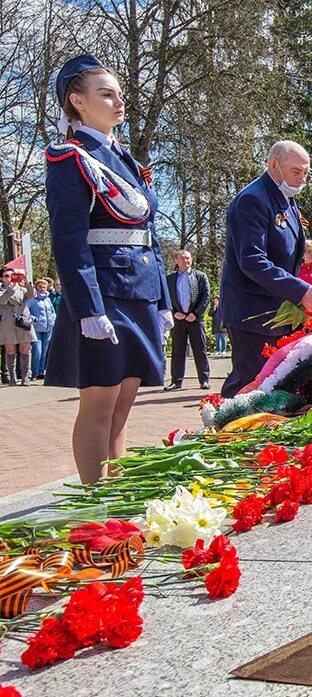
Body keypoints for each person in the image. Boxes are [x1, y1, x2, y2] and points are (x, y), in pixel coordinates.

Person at [44, 54, 174, 482]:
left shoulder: (128, 162)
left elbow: (150, 234)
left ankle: (116, 493)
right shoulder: (70, 158)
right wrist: (87, 309)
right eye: (106, 94)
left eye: (120, 94)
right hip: (104, 290)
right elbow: (69, 241)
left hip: (139, 290)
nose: (118, 102)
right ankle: (95, 502)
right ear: (77, 101)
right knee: (100, 401)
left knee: (124, 404)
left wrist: (163, 300)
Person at [218, 140, 312, 397]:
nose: (302, 179)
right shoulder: (252, 200)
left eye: (306, 173)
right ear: (273, 165)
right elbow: (252, 260)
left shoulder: (284, 198)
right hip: (252, 312)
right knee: (248, 385)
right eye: (296, 171)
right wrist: (299, 290)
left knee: (272, 385)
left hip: (277, 312)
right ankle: (226, 433)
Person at [165, 249, 211, 390]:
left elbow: (206, 296)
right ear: (176, 260)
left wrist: (196, 314)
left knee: (200, 350)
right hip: (178, 320)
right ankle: (176, 381)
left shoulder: (200, 276)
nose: (187, 261)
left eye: (189, 258)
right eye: (183, 258)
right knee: (178, 351)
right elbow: (165, 298)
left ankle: (204, 380)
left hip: (195, 320)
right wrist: (174, 313)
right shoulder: (169, 279)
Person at [0, 268, 37, 385]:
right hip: (8, 322)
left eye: (13, 275)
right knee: (10, 350)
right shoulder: (1, 290)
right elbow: (2, 300)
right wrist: (10, 288)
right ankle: (12, 378)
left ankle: (26, 377)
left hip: (23, 320)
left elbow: (32, 295)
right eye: (6, 276)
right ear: (1, 278)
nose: (10, 278)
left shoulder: (22, 289)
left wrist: (26, 282)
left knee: (25, 348)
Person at [27, 279, 57, 379]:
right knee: (37, 351)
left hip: (48, 328)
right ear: (36, 287)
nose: (42, 289)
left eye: (44, 287)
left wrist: (53, 319)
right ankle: (34, 372)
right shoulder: (32, 299)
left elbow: (52, 311)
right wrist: (33, 319)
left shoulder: (47, 299)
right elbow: (25, 311)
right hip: (36, 329)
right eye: (40, 287)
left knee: (44, 351)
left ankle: (41, 371)